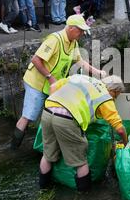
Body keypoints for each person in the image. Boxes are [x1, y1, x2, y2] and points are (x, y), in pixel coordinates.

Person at [11, 14, 106, 149]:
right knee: (28, 116)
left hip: (52, 85)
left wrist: (98, 73)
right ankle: (14, 148)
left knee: (55, 113)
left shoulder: (73, 42)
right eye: (80, 30)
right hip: (37, 83)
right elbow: (36, 60)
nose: (82, 34)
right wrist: (50, 77)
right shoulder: (55, 40)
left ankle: (46, 146)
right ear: (71, 28)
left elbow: (80, 61)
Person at [38, 74, 128, 190]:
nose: (114, 99)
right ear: (114, 91)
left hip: (47, 112)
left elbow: (53, 87)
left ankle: (43, 188)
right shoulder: (104, 96)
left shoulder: (81, 77)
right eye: (116, 96)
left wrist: (57, 107)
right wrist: (125, 143)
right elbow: (120, 129)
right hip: (67, 119)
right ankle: (83, 196)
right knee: (81, 161)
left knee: (47, 155)